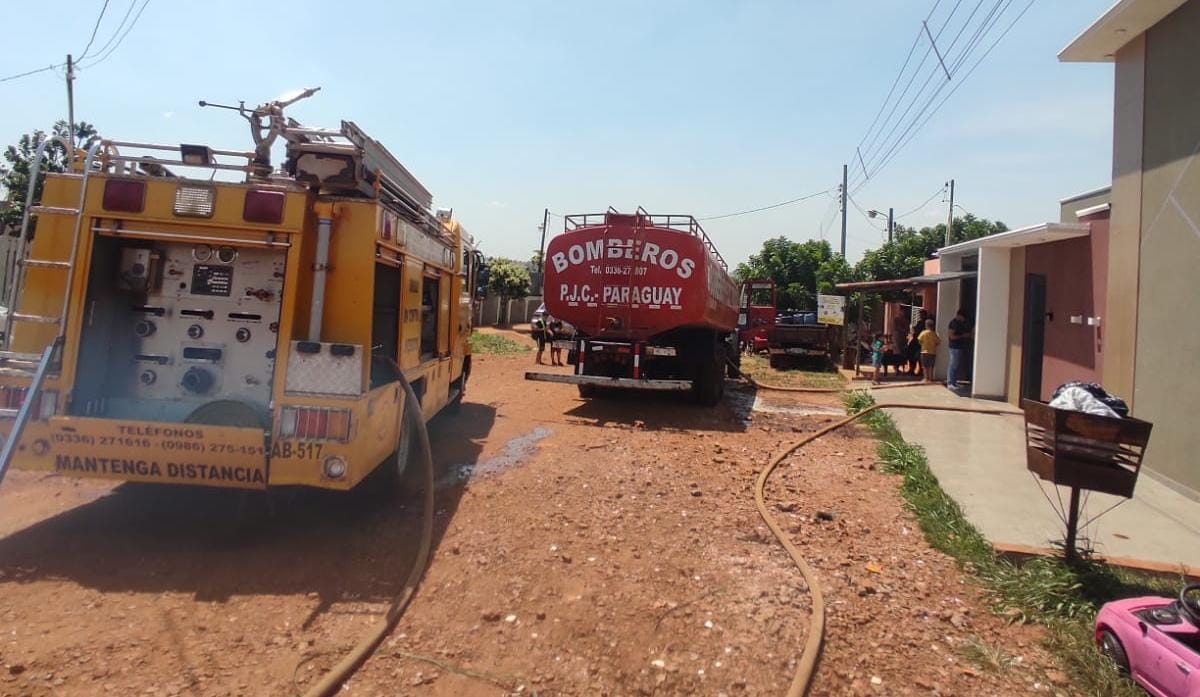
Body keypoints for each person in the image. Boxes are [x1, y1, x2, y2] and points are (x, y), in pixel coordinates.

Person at [947, 309, 973, 389]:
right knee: (953, 365)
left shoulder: (960, 323)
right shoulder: (954, 324)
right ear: (959, 316)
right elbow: (951, 336)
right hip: (954, 347)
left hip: (959, 347)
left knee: (956, 365)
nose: (963, 319)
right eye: (963, 317)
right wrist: (963, 336)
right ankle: (950, 383)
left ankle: (954, 382)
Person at [917, 319, 939, 383]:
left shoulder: (923, 333)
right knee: (931, 366)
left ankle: (925, 378)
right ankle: (930, 378)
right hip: (932, 352)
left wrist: (923, 344)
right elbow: (938, 342)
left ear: (926, 325)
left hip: (924, 351)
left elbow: (919, 341)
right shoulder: (934, 333)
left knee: (924, 366)